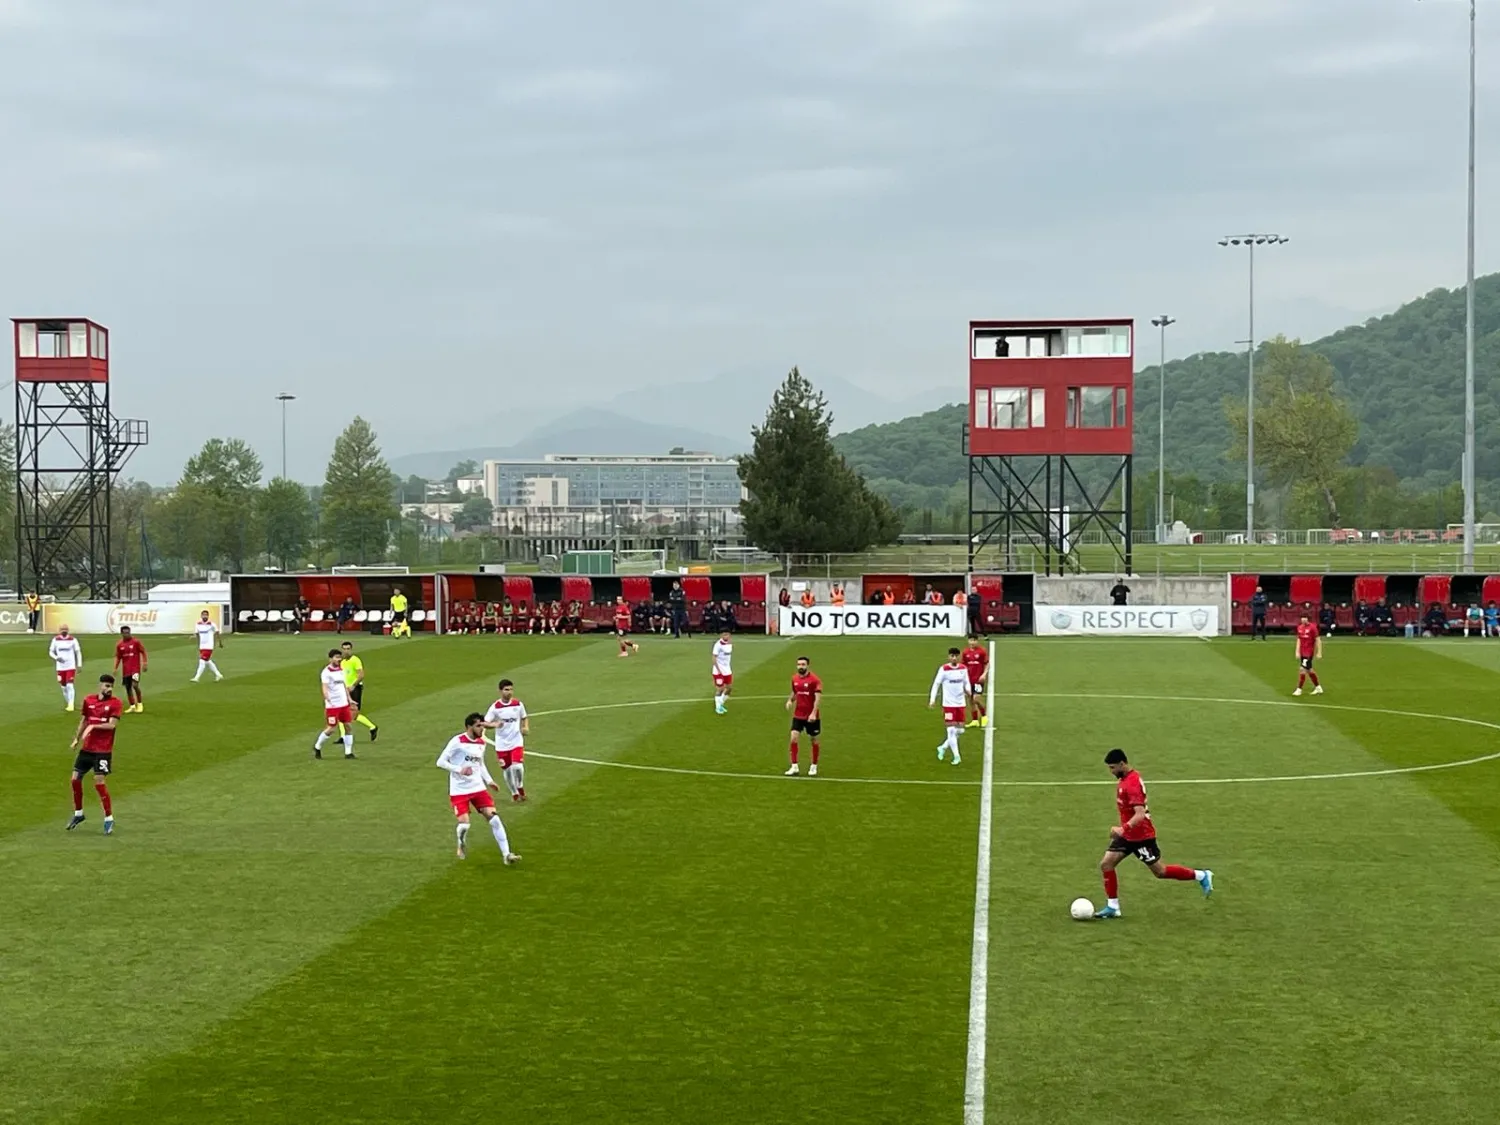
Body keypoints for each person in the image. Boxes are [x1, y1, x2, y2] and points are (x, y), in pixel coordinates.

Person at [1093, 748, 1213, 919]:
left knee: (1160, 872)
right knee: (1106, 864)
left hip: (1141, 837)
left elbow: (1140, 814)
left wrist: (1122, 829)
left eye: (1112, 767)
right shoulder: (1126, 779)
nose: (1111, 771)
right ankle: (1113, 907)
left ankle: (1201, 875)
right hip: (1128, 836)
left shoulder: (1132, 784)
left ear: (1122, 763)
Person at [437, 713, 520, 863]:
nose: (482, 729)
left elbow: (480, 764)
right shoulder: (457, 741)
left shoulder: (481, 743)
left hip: (478, 788)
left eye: (482, 725)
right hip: (459, 791)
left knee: (495, 819)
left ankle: (507, 855)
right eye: (478, 726)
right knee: (464, 825)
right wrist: (459, 769)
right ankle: (461, 843)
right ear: (469, 727)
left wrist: (489, 781)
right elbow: (440, 762)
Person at [67, 673, 124, 835]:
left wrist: (93, 726)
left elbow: (112, 725)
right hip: (87, 749)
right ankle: (79, 813)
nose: (109, 689)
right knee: (75, 779)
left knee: (99, 782)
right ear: (100, 686)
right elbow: (84, 720)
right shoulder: (89, 700)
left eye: (111, 686)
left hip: (102, 751)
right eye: (106, 686)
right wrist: (76, 739)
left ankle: (108, 818)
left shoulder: (116, 703)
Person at [482, 678, 529, 802]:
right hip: (502, 744)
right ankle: (514, 792)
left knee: (517, 767)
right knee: (507, 770)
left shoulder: (518, 704)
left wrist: (525, 727)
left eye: (511, 689)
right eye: (506, 690)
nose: (509, 692)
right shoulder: (495, 707)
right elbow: (485, 723)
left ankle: (520, 786)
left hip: (516, 741)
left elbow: (524, 717)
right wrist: (495, 724)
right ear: (500, 691)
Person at [929, 647, 971, 767]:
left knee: (960, 730)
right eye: (952, 656)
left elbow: (966, 682)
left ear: (959, 657)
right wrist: (932, 699)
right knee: (951, 730)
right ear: (948, 657)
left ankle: (942, 747)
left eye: (956, 656)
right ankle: (957, 756)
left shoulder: (963, 669)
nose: (954, 658)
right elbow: (936, 684)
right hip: (948, 705)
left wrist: (968, 691)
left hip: (960, 703)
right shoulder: (944, 669)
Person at [313, 649, 357, 760]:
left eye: (340, 657)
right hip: (333, 706)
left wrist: (349, 699)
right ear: (330, 659)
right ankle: (317, 746)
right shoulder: (326, 672)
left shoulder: (341, 670)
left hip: (344, 704)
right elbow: (324, 687)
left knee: (348, 726)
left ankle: (348, 753)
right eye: (336, 657)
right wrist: (327, 698)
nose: (339, 659)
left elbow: (344, 686)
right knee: (331, 729)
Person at [785, 655, 822, 777]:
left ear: (807, 666)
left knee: (814, 740)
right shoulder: (794, 678)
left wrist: (813, 713)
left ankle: (814, 766)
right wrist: (790, 700)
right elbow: (795, 691)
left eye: (803, 664)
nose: (800, 667)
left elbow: (817, 698)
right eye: (799, 664)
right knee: (793, 738)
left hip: (811, 716)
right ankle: (794, 766)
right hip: (798, 714)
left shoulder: (814, 680)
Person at [339, 640, 379, 741]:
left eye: (348, 649)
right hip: (345, 690)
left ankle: (372, 727)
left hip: (355, 689)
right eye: (344, 649)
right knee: (341, 712)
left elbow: (361, 675)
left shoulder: (355, 660)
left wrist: (353, 685)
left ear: (351, 650)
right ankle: (343, 736)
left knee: (353, 714)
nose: (346, 651)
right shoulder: (342, 662)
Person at [113, 625, 148, 713]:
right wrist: (115, 668)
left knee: (135, 685)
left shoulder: (136, 642)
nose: (127, 634)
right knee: (128, 688)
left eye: (128, 633)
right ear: (121, 633)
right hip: (126, 670)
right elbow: (118, 657)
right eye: (125, 633)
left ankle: (139, 704)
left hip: (135, 669)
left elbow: (143, 651)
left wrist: (145, 663)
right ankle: (132, 706)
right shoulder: (119, 645)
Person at [49, 624, 84, 712]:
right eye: (62, 629)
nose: (64, 631)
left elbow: (78, 652)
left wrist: (79, 664)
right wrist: (56, 658)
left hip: (70, 666)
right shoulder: (55, 640)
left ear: (68, 630)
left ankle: (71, 705)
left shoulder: (73, 640)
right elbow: (51, 652)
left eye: (65, 629)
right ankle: (69, 702)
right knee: (63, 687)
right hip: (60, 668)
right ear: (59, 630)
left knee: (69, 685)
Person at [960, 634, 989, 728]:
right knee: (971, 700)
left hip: (978, 680)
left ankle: (984, 716)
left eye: (974, 640)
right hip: (968, 680)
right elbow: (963, 666)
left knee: (976, 698)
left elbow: (987, 663)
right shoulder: (965, 652)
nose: (972, 642)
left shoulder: (981, 651)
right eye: (970, 640)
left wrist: (984, 674)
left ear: (977, 641)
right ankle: (975, 720)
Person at [1294, 612, 1323, 696]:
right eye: (1302, 617)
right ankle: (1318, 688)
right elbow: (1299, 640)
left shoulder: (1312, 628)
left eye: (1305, 617)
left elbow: (1318, 640)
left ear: (1308, 619)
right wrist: (1297, 651)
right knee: (1309, 670)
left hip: (1309, 653)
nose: (1303, 619)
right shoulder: (1299, 627)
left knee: (1302, 669)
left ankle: (1299, 689)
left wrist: (1319, 652)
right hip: (1302, 653)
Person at [190, 610, 224, 682]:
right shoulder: (198, 624)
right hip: (202, 646)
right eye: (203, 615)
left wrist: (220, 642)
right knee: (207, 661)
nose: (204, 616)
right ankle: (218, 674)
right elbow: (197, 634)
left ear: (208, 616)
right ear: (201, 616)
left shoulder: (212, 624)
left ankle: (197, 678)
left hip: (209, 646)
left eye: (206, 615)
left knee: (202, 660)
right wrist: (194, 638)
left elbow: (217, 633)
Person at [711, 630, 734, 714]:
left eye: (727, 634)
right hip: (718, 670)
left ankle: (721, 703)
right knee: (720, 689)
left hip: (727, 669)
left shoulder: (730, 643)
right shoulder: (717, 645)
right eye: (724, 635)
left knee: (729, 688)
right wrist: (718, 670)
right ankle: (718, 708)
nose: (726, 636)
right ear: (721, 635)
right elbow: (714, 658)